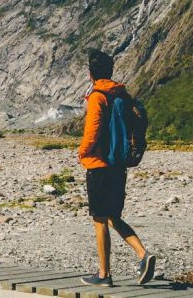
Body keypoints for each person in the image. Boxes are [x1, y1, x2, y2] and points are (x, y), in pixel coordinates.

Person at [78, 49, 155, 287]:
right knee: (112, 215)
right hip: (118, 165)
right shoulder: (122, 96)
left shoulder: (98, 97)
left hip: (99, 165)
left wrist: (82, 152)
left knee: (99, 219)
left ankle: (103, 275)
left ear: (91, 74)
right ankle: (143, 254)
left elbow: (92, 131)